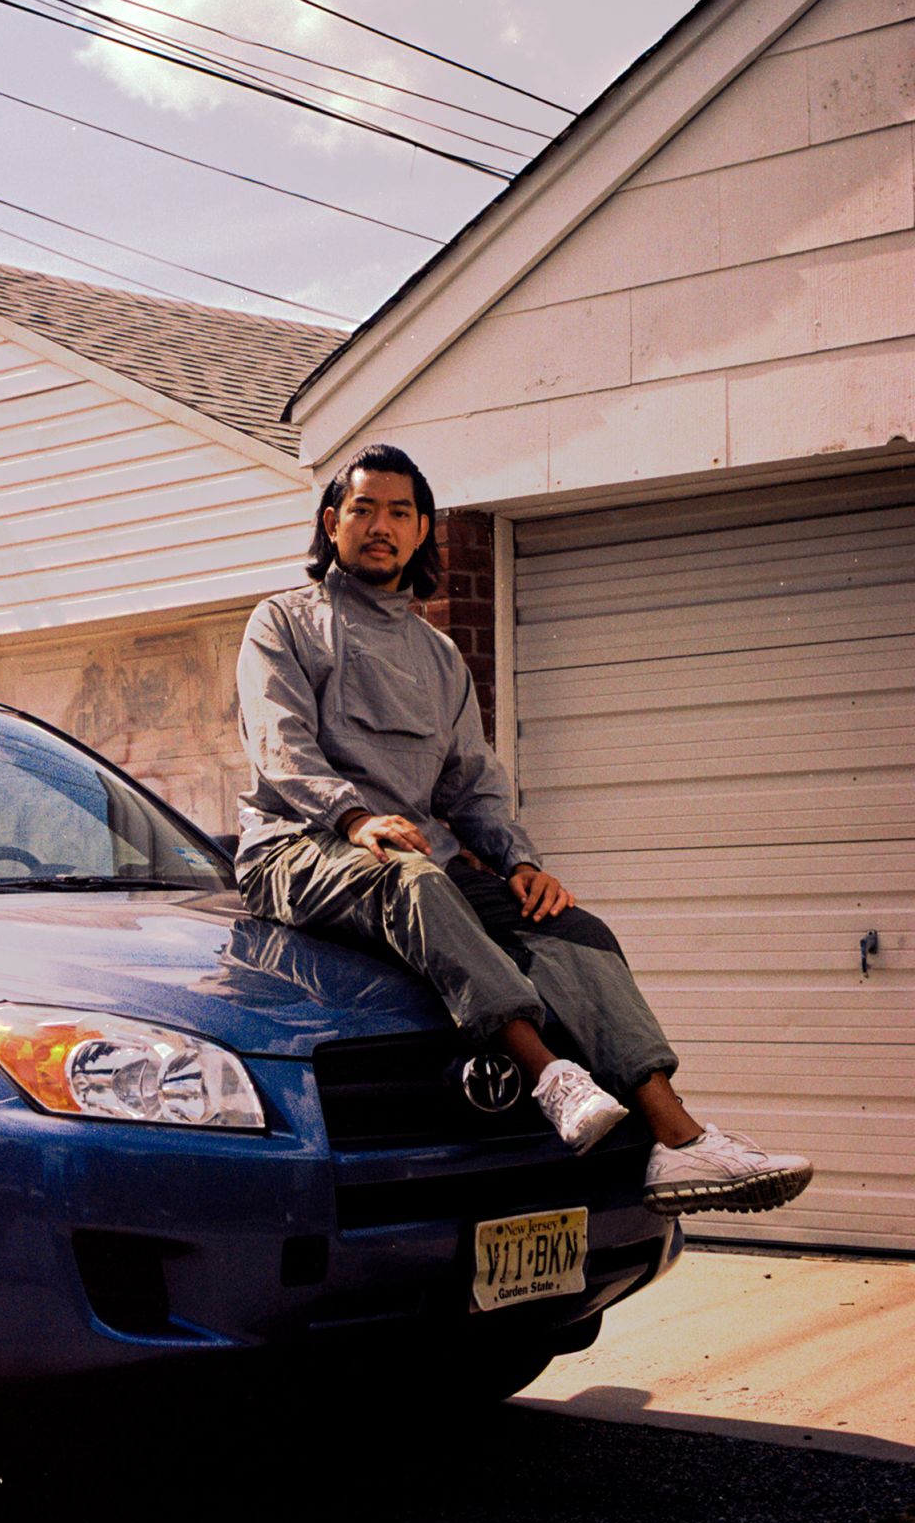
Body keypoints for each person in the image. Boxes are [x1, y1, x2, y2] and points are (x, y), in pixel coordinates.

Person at [234, 442, 812, 1217]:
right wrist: (355, 816)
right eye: (364, 509)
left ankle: (678, 1141)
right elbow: (280, 747)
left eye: (400, 513)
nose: (381, 526)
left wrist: (519, 865)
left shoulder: (438, 656)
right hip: (300, 847)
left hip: (411, 856)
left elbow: (470, 782)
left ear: (422, 532)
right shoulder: (285, 622)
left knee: (574, 928)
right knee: (412, 876)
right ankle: (551, 1077)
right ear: (331, 523)